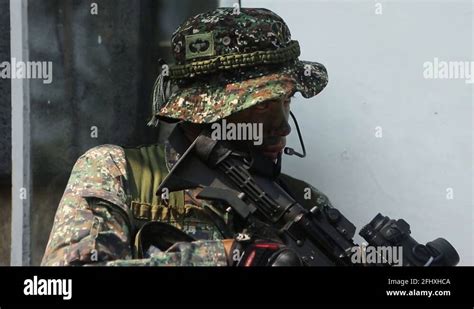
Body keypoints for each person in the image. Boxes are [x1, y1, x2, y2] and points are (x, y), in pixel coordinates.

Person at [41, 7, 332, 266]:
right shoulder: (117, 173)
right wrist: (228, 255)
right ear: (203, 111)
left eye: (286, 101)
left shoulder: (306, 210)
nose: (283, 128)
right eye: (262, 106)